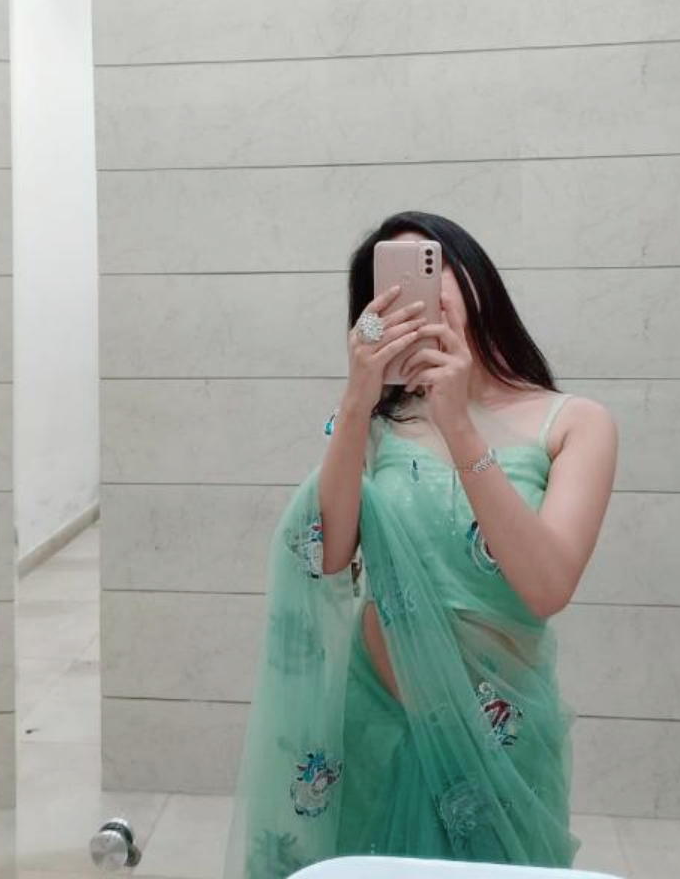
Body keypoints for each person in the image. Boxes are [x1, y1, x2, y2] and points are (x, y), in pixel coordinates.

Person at [223, 212, 619, 878]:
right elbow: (326, 556)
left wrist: (457, 423)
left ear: (474, 275)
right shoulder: (375, 426)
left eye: (432, 269)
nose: (416, 294)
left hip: (499, 734)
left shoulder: (575, 423)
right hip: (374, 719)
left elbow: (547, 586)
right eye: (393, 283)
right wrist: (357, 401)